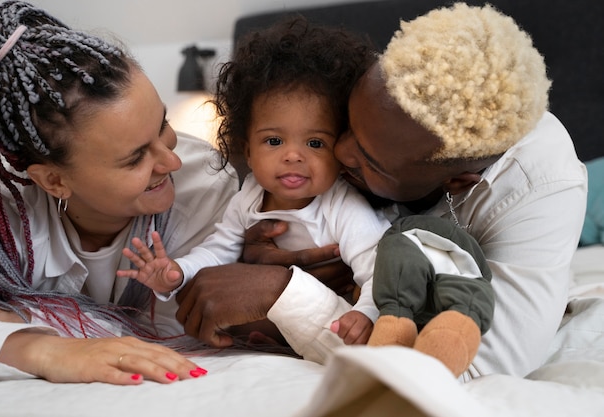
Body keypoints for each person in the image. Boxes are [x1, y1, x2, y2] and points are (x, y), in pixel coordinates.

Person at [175, 2, 587, 381]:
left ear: (455, 180)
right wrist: (265, 235)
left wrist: (284, 293)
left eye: (369, 161)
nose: (340, 150)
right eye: (346, 124)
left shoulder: (542, 187)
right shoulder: (379, 82)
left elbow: (473, 365)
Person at [0, 1, 238, 384]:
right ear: (53, 181)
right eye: (135, 159)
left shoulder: (206, 183)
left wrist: (20, 317)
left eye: (162, 124)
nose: (172, 162)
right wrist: (44, 350)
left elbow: (178, 330)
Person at [117, 17, 391, 346]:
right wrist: (176, 271)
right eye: (274, 141)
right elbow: (219, 250)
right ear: (247, 151)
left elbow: (377, 267)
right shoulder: (249, 195)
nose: (293, 156)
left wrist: (365, 312)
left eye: (315, 143)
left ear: (341, 152)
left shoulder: (342, 205)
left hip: (334, 312)